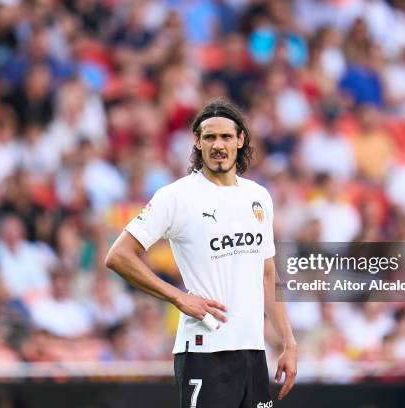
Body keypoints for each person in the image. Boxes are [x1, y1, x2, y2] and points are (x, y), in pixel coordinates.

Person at [105, 98, 297, 407]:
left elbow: (267, 274)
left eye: (225, 137)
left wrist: (288, 341)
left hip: (252, 353)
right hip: (204, 352)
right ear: (197, 141)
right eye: (209, 137)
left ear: (240, 140)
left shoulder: (258, 196)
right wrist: (178, 296)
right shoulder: (176, 196)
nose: (217, 145)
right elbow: (118, 255)